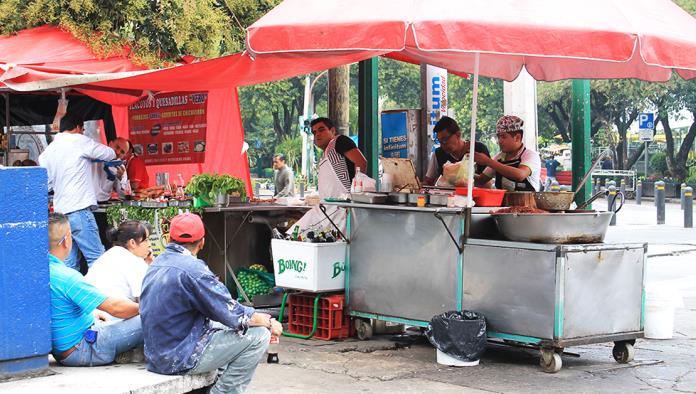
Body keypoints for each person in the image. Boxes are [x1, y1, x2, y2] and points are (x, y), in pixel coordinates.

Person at [140, 213, 282, 394]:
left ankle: (212, 384)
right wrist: (268, 322)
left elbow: (221, 310)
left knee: (220, 325)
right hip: (178, 356)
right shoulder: (194, 270)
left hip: (157, 355)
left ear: (168, 238)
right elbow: (232, 313)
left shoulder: (156, 264)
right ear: (202, 242)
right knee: (259, 336)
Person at [47, 213, 143, 366]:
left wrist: (92, 313)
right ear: (67, 241)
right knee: (150, 318)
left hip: (63, 349)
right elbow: (115, 308)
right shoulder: (68, 277)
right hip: (82, 350)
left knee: (106, 315)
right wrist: (148, 307)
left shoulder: (44, 271)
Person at [39, 113, 116, 271]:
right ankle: (100, 296)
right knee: (97, 258)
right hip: (79, 209)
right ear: (77, 127)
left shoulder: (50, 150)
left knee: (69, 263)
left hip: (61, 213)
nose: (83, 133)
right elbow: (110, 154)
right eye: (83, 129)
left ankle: (69, 296)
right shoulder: (79, 140)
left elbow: (46, 184)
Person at [85, 220, 152, 304]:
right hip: (110, 314)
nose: (149, 244)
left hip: (89, 310)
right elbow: (146, 302)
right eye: (146, 240)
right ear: (132, 243)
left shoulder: (111, 253)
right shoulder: (134, 261)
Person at [474, 115, 541, 192]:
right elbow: (481, 180)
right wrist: (463, 172)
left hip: (526, 203)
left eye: (503, 137)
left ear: (517, 137)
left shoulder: (530, 155)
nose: (499, 141)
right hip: (503, 203)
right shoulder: (499, 157)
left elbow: (520, 175)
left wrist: (488, 161)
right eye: (498, 137)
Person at [423, 116, 491, 186]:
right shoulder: (438, 154)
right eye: (440, 142)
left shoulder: (478, 149)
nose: (442, 145)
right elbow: (429, 181)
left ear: (458, 135)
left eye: (445, 140)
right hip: (447, 196)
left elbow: (487, 182)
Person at [311, 117, 367, 198]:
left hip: (344, 205)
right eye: (314, 132)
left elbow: (361, 162)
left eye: (321, 130)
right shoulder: (325, 154)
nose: (317, 134)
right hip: (329, 205)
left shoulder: (339, 141)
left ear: (332, 131)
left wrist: (355, 196)